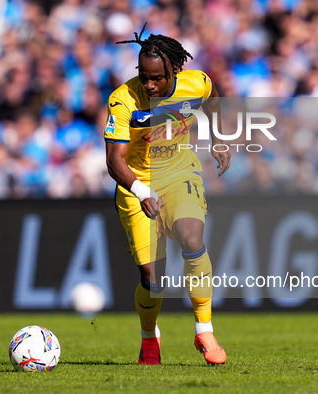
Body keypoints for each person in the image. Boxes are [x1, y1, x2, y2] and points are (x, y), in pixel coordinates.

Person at [104, 23, 230, 365]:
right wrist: (142, 191)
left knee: (192, 240)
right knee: (152, 277)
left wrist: (217, 137)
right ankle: (150, 339)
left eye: (157, 78)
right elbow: (114, 162)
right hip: (137, 183)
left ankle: (204, 329)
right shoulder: (123, 99)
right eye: (143, 76)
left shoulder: (195, 83)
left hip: (179, 174)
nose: (149, 84)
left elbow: (213, 98)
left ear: (175, 69)